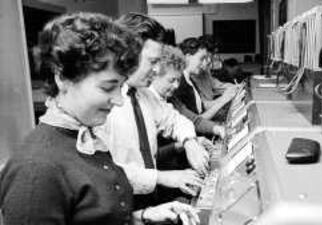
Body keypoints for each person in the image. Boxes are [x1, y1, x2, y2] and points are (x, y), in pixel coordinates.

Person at [0, 12, 199, 225]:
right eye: (108, 87)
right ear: (64, 78)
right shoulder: (35, 170)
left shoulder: (87, 136)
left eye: (120, 86)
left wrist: (145, 216)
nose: (119, 101)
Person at [103, 13, 209, 208]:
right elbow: (106, 172)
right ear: (127, 55)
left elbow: (175, 120)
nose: (156, 69)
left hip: (149, 201)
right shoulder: (103, 105)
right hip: (120, 205)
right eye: (152, 61)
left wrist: (190, 143)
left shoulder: (143, 95)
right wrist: (162, 177)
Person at [174, 37, 236, 121]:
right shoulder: (181, 84)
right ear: (188, 57)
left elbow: (202, 107)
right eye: (201, 59)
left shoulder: (189, 80)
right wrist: (223, 100)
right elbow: (196, 122)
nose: (205, 63)